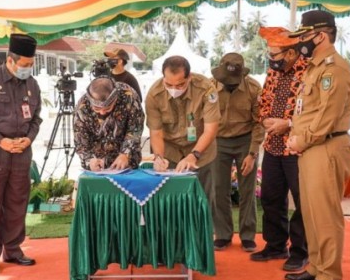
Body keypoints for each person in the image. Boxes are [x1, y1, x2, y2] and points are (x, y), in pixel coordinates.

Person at [285, 10, 350, 280]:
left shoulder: (333, 69)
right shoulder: (315, 67)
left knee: (325, 214)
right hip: (312, 148)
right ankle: (316, 265)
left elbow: (327, 117)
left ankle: (329, 275)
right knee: (311, 211)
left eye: (304, 35)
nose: (300, 41)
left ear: (321, 36)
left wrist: (301, 140)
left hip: (325, 146)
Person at [0, 33, 43, 275]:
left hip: (21, 152)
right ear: (10, 60)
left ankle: (13, 249)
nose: (28, 69)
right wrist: (0, 141)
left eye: (31, 64)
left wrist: (29, 138)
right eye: (24, 65)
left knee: (17, 201)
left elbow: (36, 119)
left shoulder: (32, 85)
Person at [250, 27, 308, 271]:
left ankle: (300, 251)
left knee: (303, 202)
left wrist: (289, 124)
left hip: (298, 149)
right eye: (269, 55)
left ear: (293, 53)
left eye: (276, 55)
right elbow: (263, 103)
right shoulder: (273, 74)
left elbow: (316, 112)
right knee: (271, 198)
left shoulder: (310, 72)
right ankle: (275, 246)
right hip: (272, 147)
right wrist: (265, 120)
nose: (271, 60)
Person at [145, 55, 220, 205]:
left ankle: (204, 229)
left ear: (189, 77)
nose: (174, 89)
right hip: (170, 154)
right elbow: (156, 132)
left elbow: (211, 129)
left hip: (201, 153)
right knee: (172, 204)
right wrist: (159, 157)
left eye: (179, 85)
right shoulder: (154, 94)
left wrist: (194, 156)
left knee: (203, 203)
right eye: (168, 84)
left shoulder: (206, 89)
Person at [210, 53, 264, 252]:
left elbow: (259, 123)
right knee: (218, 189)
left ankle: (248, 235)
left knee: (248, 190)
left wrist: (252, 153)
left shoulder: (253, 88)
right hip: (218, 141)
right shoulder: (210, 87)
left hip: (245, 141)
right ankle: (223, 235)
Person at [73, 77, 145, 171]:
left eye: (107, 108)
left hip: (128, 161)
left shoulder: (128, 95)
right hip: (98, 165)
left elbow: (135, 128)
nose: (102, 112)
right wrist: (89, 160)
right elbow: (81, 142)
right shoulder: (82, 107)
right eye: (97, 109)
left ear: (115, 99)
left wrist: (125, 153)